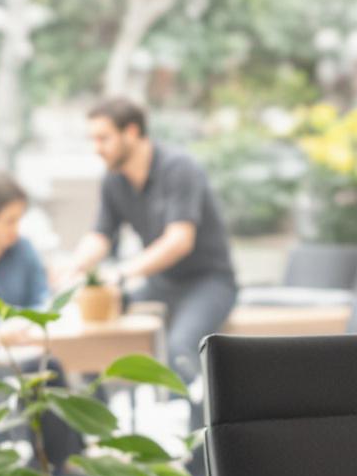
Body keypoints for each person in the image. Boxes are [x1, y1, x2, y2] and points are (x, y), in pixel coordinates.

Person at [68, 96, 237, 387]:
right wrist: (73, 266)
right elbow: (100, 235)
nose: (97, 148)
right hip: (161, 283)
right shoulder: (114, 180)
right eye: (93, 139)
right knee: (89, 332)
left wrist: (122, 272)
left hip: (208, 282)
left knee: (182, 349)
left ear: (131, 132)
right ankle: (97, 425)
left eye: (103, 138)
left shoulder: (179, 168)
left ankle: (198, 431)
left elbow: (179, 240)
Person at [0, 169, 49, 315]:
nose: (16, 229)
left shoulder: (24, 250)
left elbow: (42, 302)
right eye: (10, 221)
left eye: (19, 219)